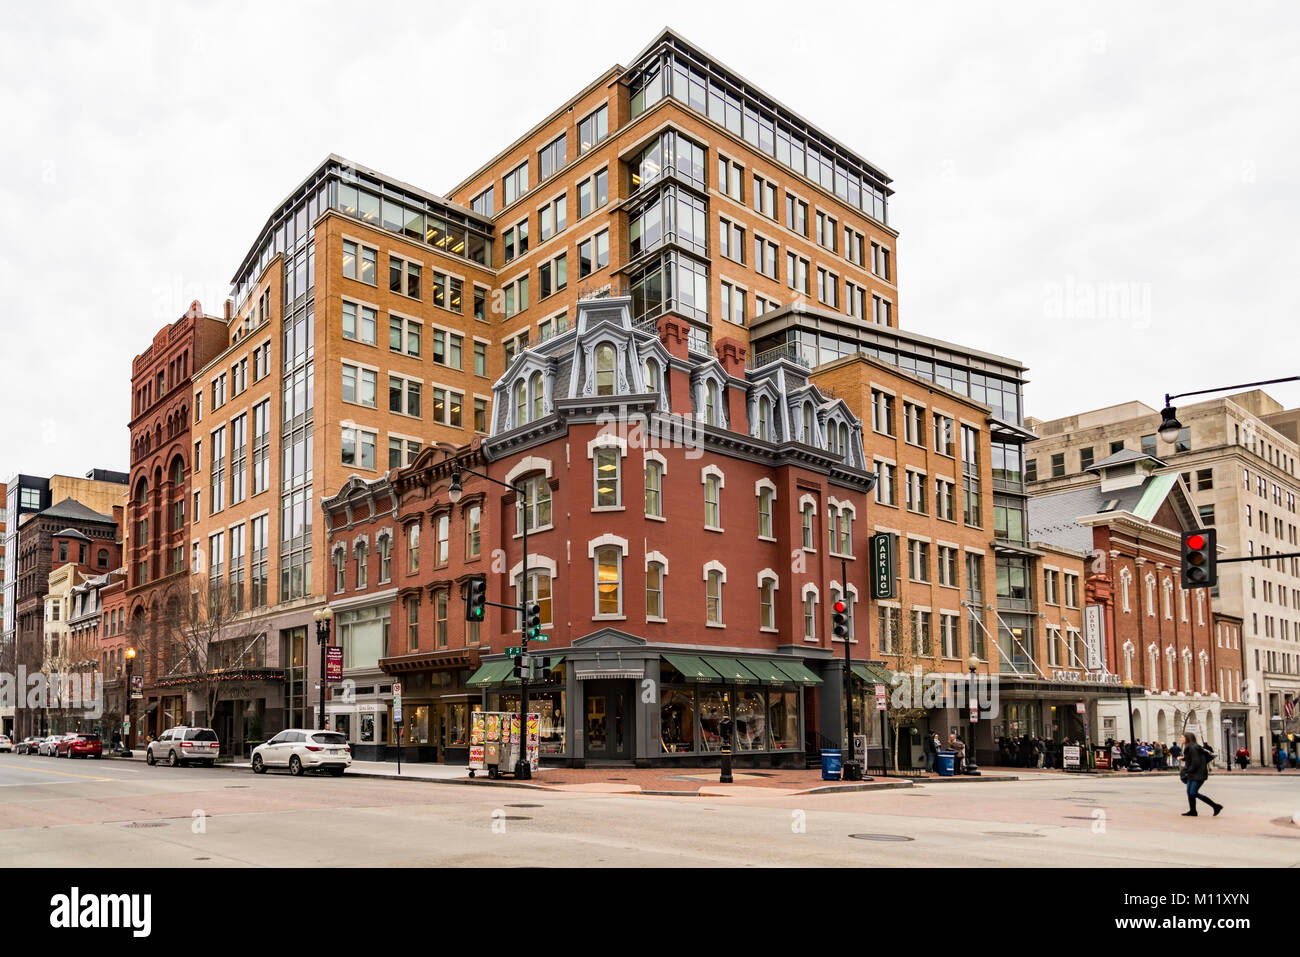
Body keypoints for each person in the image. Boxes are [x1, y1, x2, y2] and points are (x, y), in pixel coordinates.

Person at [1180, 732, 1222, 817]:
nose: (1181, 739)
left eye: (1182, 737)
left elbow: (1196, 762)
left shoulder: (1192, 748)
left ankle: (1215, 806)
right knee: (1189, 792)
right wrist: (1183, 758)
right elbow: (1192, 758)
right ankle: (1193, 811)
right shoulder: (1192, 747)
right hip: (1194, 773)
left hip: (1198, 774)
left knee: (1193, 792)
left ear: (1187, 738)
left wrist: (1188, 771)